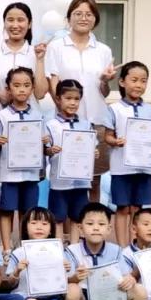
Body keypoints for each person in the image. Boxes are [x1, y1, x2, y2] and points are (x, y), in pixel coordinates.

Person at [44, 0, 118, 200]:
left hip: (96, 121)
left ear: (95, 19)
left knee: (94, 180)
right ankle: (67, 222)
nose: (83, 18)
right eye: (78, 13)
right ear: (69, 18)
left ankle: (91, 220)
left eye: (88, 14)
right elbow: (53, 84)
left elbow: (104, 92)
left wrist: (105, 81)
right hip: (66, 124)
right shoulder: (57, 47)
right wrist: (64, 112)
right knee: (66, 180)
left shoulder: (103, 50)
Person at [63, 203, 148, 300]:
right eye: (90, 224)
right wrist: (75, 277)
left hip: (111, 298)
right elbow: (65, 280)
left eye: (101, 224)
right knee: (72, 289)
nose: (96, 228)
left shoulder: (116, 250)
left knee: (140, 291)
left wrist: (129, 279)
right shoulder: (71, 251)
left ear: (109, 229)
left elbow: (126, 275)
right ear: (80, 228)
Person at [102, 61, 151, 247]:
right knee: (122, 208)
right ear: (122, 82)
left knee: (138, 208)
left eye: (143, 81)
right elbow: (107, 136)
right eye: (134, 80)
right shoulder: (114, 109)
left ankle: (137, 246)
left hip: (144, 168)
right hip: (121, 167)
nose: (139, 85)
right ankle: (123, 248)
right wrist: (115, 141)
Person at [3, 207, 74, 300]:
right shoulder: (19, 252)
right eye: (34, 223)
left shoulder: (58, 251)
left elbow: (69, 280)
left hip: (51, 294)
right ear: (25, 227)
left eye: (44, 224)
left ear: (51, 229)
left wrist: (66, 270)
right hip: (27, 294)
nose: (39, 227)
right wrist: (17, 271)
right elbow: (9, 283)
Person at [0, 67, 48, 252]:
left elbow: (45, 144)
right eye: (16, 85)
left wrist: (45, 143)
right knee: (6, 210)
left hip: (31, 173)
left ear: (32, 88)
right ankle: (7, 248)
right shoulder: (2, 115)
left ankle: (25, 247)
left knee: (28, 211)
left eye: (26, 85)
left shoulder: (38, 115)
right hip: (8, 173)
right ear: (8, 88)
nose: (22, 89)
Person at [44, 79, 92, 242]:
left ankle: (74, 248)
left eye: (76, 99)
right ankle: (58, 248)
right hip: (60, 182)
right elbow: (45, 150)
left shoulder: (86, 125)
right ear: (58, 99)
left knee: (77, 217)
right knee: (58, 217)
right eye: (68, 98)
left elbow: (91, 148)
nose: (73, 103)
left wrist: (94, 152)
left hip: (81, 181)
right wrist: (50, 150)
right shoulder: (51, 125)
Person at [0, 3, 48, 107]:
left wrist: (39, 60)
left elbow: (40, 94)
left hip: (30, 115)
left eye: (20, 20)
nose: (15, 25)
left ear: (29, 24)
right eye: (10, 20)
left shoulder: (38, 53)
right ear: (4, 23)